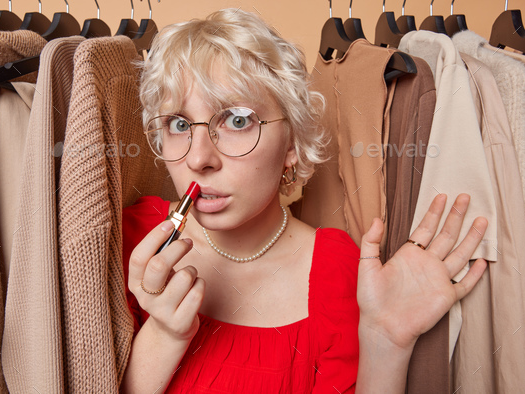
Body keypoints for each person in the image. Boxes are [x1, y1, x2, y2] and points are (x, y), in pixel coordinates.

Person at [121, 8, 488, 393]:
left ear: (293, 143)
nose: (199, 159)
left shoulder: (337, 275)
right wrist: (164, 333)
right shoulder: (131, 240)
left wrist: (386, 341)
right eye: (179, 124)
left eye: (237, 120)